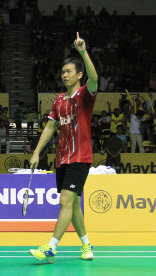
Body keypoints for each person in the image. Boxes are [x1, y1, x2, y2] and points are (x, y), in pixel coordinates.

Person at [29, 32, 97, 262]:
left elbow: (96, 78)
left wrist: (83, 51)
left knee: (66, 201)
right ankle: (87, 246)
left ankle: (50, 248)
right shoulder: (59, 100)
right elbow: (50, 127)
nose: (64, 75)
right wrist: (37, 151)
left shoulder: (85, 95)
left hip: (81, 157)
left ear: (79, 75)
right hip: (63, 158)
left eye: (68, 72)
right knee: (74, 204)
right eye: (62, 72)